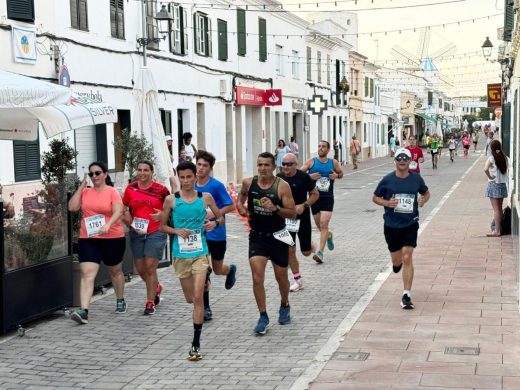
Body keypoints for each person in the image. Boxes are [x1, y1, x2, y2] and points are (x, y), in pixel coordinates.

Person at [159, 161, 223, 361]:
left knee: (197, 299)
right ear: (179, 178)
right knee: (190, 299)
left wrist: (214, 223)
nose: (186, 181)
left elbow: (220, 218)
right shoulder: (171, 200)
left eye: (189, 177)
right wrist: (176, 231)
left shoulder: (206, 198)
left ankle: (195, 343)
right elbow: (162, 226)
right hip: (181, 255)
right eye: (182, 177)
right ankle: (205, 282)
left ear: (196, 177)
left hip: (200, 253)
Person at [236, 152, 297, 335]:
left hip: (278, 235)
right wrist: (241, 208)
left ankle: (284, 304)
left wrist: (275, 208)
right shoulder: (249, 183)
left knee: (281, 278)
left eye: (266, 165)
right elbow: (241, 197)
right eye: (260, 165)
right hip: (258, 236)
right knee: (257, 277)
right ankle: (263, 316)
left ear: (274, 167)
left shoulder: (282, 187)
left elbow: (292, 212)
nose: (262, 169)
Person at [68, 161, 126, 324]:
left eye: (98, 173)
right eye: (91, 174)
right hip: (89, 238)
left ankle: (120, 299)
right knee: (87, 274)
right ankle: (84, 311)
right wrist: (80, 188)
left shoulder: (112, 192)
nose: (94, 176)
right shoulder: (86, 192)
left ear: (105, 174)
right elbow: (72, 207)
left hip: (112, 237)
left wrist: (108, 224)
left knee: (115, 271)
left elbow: (118, 211)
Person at [372, 148, 430, 310]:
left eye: (405, 158)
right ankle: (395, 264)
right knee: (397, 260)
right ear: (395, 160)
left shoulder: (416, 179)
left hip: (410, 223)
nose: (402, 160)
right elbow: (375, 197)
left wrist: (424, 200)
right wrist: (387, 203)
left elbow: (426, 193)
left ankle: (406, 294)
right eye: (399, 158)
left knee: (407, 256)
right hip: (391, 225)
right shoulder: (387, 180)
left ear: (410, 160)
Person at [122, 161, 170, 315]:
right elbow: (123, 206)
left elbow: (171, 209)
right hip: (137, 231)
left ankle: (150, 302)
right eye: (139, 170)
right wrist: (127, 215)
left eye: (146, 170)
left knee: (150, 266)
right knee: (141, 268)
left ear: (152, 172)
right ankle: (156, 287)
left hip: (156, 231)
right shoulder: (131, 188)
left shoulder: (161, 190)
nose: (142, 173)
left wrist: (162, 215)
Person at [194, 150, 237, 321]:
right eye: (199, 165)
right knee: (202, 271)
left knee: (217, 269)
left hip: (216, 233)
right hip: (198, 235)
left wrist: (213, 214)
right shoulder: (190, 185)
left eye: (205, 166)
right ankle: (205, 307)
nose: (201, 168)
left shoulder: (216, 186)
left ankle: (230, 270)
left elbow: (231, 206)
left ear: (210, 168)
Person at [277, 153, 319, 292]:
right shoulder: (279, 178)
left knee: (306, 252)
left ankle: (310, 244)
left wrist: (304, 205)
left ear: (295, 164)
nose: (285, 167)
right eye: (283, 164)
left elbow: (315, 194)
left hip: (302, 217)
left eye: (289, 164)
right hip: (286, 219)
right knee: (290, 249)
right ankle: (298, 280)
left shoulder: (303, 177)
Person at [301, 140, 343, 263]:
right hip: (314, 198)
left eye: (323, 146)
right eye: (319, 146)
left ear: (328, 150)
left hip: (328, 198)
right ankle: (328, 235)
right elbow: (298, 173)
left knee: (324, 224)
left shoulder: (333, 162)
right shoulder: (311, 162)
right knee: (320, 226)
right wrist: (309, 176)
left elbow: (341, 173)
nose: (320, 148)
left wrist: (336, 175)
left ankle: (320, 253)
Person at [484, 139, 508, 237]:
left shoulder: (491, 158)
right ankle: (499, 228)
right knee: (499, 208)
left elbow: (485, 169)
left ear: (491, 148)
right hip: (502, 184)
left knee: (496, 209)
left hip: (494, 184)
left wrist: (490, 176)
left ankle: (497, 231)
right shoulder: (504, 157)